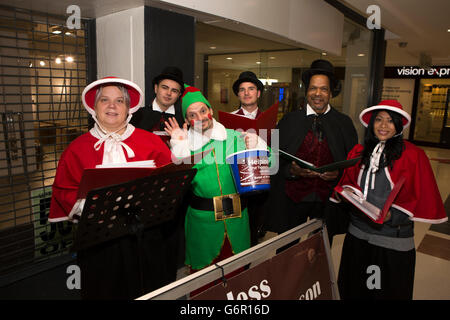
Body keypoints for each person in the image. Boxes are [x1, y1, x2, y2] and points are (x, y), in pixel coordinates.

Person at [48, 77, 178, 299]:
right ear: (94, 107)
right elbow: (64, 189)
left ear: (128, 108)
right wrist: (89, 207)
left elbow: (171, 182)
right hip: (100, 242)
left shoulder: (152, 142)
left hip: (145, 237)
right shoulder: (76, 149)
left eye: (119, 101)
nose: (112, 106)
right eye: (105, 100)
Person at [332, 99, 448, 300]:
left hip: (391, 241)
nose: (383, 126)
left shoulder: (414, 155)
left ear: (399, 125)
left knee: (383, 292)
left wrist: (392, 215)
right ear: (371, 123)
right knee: (354, 289)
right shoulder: (359, 151)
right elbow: (348, 183)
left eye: (390, 121)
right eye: (378, 120)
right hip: (357, 236)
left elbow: (420, 196)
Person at [164, 85, 270, 294]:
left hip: (237, 221)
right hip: (202, 224)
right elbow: (175, 185)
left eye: (203, 111)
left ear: (210, 110)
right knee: (202, 285)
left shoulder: (234, 137)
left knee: (237, 279)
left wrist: (258, 145)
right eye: (192, 115)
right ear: (187, 120)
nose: (200, 117)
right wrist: (180, 148)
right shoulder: (187, 144)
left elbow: (267, 164)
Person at [263, 59, 358, 246]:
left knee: (319, 251)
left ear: (331, 93)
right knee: (286, 250)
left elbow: (354, 163)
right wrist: (291, 171)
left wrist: (338, 174)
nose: (318, 94)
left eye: (323, 89)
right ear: (306, 91)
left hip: (327, 201)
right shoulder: (288, 120)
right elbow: (271, 159)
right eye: (313, 88)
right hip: (292, 199)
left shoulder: (344, 123)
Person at [231, 71, 268, 245]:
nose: (246, 93)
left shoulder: (269, 119)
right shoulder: (227, 121)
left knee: (255, 226)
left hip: (263, 179)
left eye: (251, 89)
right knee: (237, 226)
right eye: (242, 89)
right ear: (238, 94)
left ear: (258, 93)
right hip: (237, 180)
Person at [131, 66, 185, 145]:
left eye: (174, 90)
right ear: (156, 88)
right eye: (165, 88)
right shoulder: (137, 115)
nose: (168, 93)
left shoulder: (184, 120)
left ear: (179, 95)